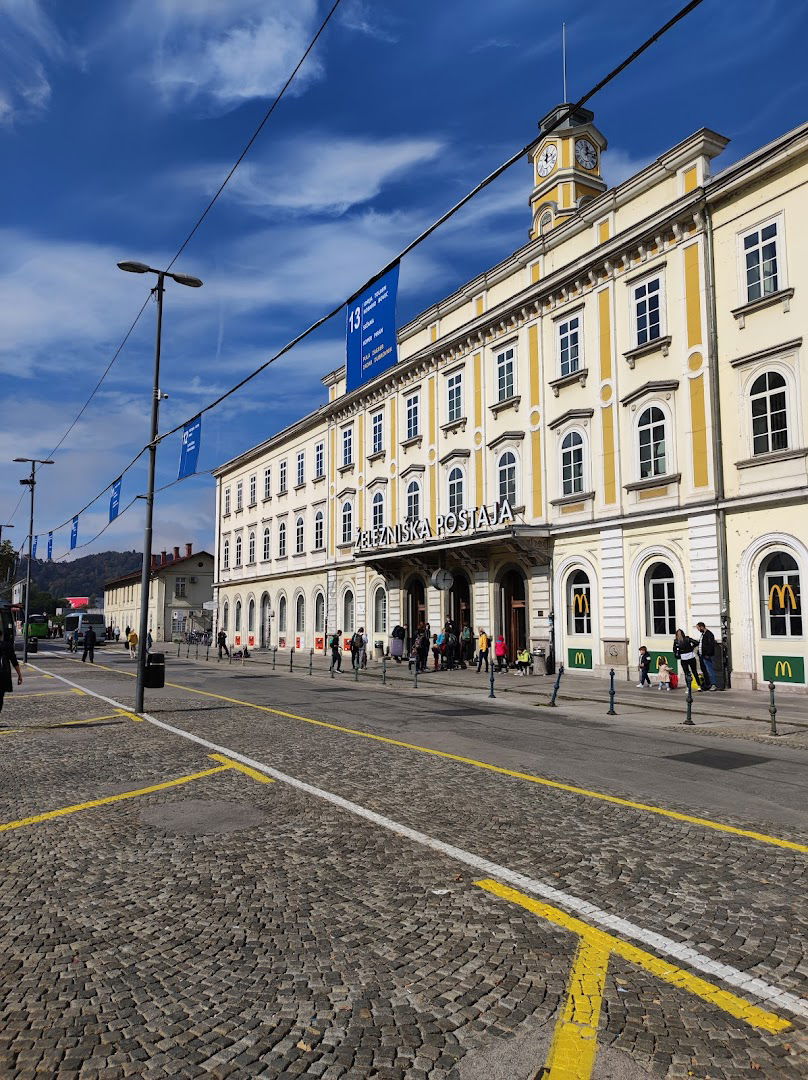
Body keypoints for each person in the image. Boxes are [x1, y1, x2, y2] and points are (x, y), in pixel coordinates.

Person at [0, 630, 23, 713]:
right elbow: (14, 662)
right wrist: (19, 675)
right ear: (1, 636)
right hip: (3, 674)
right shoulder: (7, 646)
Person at [695, 622, 718, 690]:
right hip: (702, 655)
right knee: (705, 670)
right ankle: (708, 684)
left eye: (698, 628)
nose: (698, 630)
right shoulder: (703, 634)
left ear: (702, 627)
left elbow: (711, 645)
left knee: (710, 669)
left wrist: (708, 654)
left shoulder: (709, 634)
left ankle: (713, 684)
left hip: (707, 655)